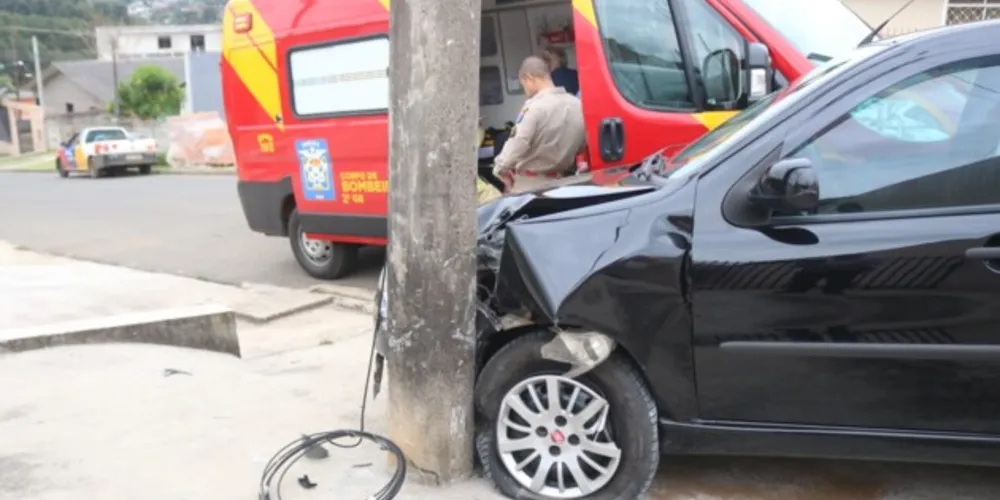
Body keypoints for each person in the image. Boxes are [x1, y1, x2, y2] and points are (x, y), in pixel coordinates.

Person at [492, 56, 585, 193]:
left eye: (523, 84)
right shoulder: (578, 105)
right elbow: (581, 146)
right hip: (565, 184)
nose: (525, 91)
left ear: (529, 78)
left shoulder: (534, 108)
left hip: (530, 187)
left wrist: (500, 169)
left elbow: (519, 142)